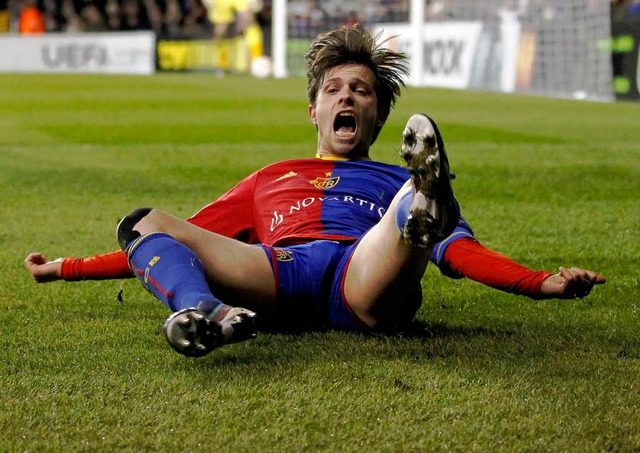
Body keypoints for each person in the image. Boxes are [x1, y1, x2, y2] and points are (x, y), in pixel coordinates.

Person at [25, 24, 605, 358]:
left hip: (365, 276)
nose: (347, 96)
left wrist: (538, 284)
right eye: (335, 89)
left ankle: (423, 210)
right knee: (145, 223)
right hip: (279, 270)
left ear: (379, 117)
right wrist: (66, 268)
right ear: (315, 109)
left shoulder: (395, 177)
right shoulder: (269, 177)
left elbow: (455, 251)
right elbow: (184, 241)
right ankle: (206, 312)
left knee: (413, 211)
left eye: (361, 90)